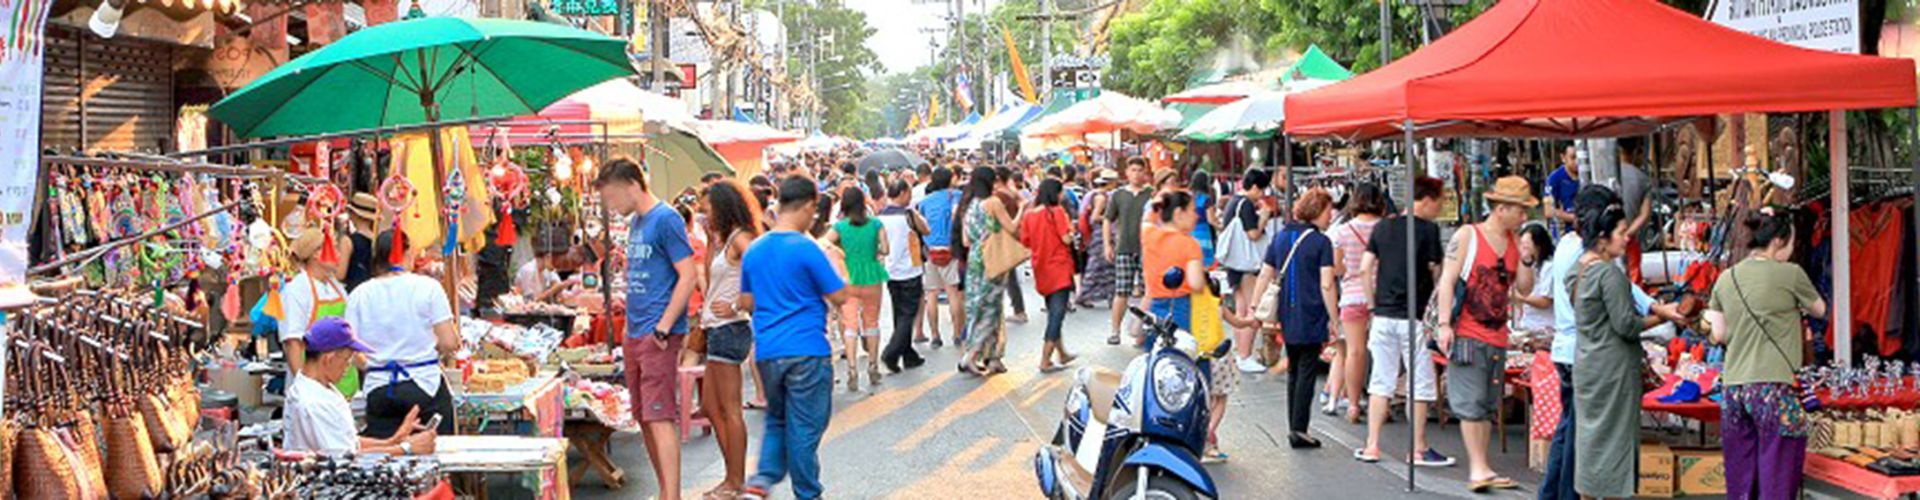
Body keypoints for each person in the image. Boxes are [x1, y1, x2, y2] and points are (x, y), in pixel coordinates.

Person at [1540, 186, 1682, 500]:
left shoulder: (1579, 267)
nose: (1627, 236)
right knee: (1615, 443)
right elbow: (1627, 325)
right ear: (1603, 237)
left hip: (1587, 362)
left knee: (1589, 442)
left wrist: (1656, 309)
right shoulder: (1608, 274)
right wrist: (1665, 317)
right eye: (1620, 231)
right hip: (1612, 369)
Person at [738, 176, 850, 500]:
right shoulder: (807, 248)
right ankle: (807, 494)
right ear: (807, 207)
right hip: (806, 349)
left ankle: (761, 481)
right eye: (814, 212)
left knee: (778, 419)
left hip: (768, 351)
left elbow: (746, 303)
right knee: (805, 426)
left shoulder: (755, 250)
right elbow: (839, 295)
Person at [595, 158, 698, 500]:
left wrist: (664, 327)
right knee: (645, 416)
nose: (611, 206)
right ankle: (666, 491)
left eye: (612, 197)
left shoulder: (665, 219)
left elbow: (688, 275)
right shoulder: (639, 222)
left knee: (659, 415)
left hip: (657, 332)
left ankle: (672, 495)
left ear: (631, 185)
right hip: (637, 331)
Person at [1706, 209, 1826, 500]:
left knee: (1741, 478)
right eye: (1790, 244)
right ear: (1777, 242)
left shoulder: (1726, 277)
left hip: (1734, 389)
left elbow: (1718, 334)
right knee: (1778, 477)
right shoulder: (1791, 274)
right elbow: (1820, 309)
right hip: (1775, 389)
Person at [1434, 176, 1535, 493]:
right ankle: (1477, 468)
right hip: (1467, 331)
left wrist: (1528, 257)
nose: (1524, 217)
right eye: (1520, 210)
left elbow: (1524, 288)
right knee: (1470, 402)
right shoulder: (1468, 236)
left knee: (1488, 404)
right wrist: (1444, 325)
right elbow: (1448, 280)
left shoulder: (1515, 243)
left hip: (1498, 334)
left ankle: (1483, 467)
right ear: (1502, 208)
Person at [1354, 177, 1453, 468]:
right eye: (1439, 201)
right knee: (1420, 384)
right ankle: (1418, 448)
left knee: (1380, 381)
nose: (1440, 207)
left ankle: (1372, 445)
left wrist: (1373, 304)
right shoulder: (1428, 231)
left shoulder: (1382, 227)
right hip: (1415, 318)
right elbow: (1438, 273)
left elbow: (1364, 270)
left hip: (1383, 316)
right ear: (1427, 199)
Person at [344, 230, 460, 438]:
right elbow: (449, 342)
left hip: (379, 387)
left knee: (383, 456)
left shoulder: (359, 294)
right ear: (406, 253)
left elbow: (351, 350)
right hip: (424, 384)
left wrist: (373, 363)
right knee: (436, 452)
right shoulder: (428, 288)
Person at [1250, 189, 1338, 449]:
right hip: (1312, 311)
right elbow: (1327, 284)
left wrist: (1256, 306)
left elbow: (1265, 274)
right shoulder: (1321, 243)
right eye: (1327, 210)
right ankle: (1299, 429)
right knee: (1307, 370)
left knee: (1295, 368)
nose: (1330, 216)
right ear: (1317, 211)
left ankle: (1294, 426)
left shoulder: (1281, 237)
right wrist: (1334, 318)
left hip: (1287, 312)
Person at [282, 317, 436, 456]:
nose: (348, 367)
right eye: (346, 360)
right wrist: (405, 448)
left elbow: (347, 441)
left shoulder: (320, 388)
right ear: (329, 359)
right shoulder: (313, 403)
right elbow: (344, 457)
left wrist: (392, 441)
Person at [697, 181, 762, 500]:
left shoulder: (741, 239)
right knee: (711, 406)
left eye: (707, 208)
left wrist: (739, 303)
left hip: (729, 327)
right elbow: (711, 281)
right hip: (717, 327)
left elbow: (764, 271)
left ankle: (734, 481)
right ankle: (731, 477)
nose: (703, 213)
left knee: (729, 409)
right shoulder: (725, 240)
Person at [1328, 182, 1385, 421]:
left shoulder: (1343, 231)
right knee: (1383, 353)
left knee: (1354, 352)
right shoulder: (1385, 228)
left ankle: (1352, 405)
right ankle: (1383, 404)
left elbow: (1337, 268)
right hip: (1382, 296)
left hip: (1352, 295)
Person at [824, 186, 889, 391]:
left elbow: (823, 243)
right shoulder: (876, 224)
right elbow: (886, 249)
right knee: (871, 322)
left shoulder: (841, 227)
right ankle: (873, 365)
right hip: (872, 276)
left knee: (850, 324)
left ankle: (852, 368)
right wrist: (875, 252)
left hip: (848, 277)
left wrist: (840, 253)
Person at [960, 166, 1022, 375]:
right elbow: (1012, 228)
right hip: (992, 260)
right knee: (991, 309)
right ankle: (971, 355)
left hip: (974, 261)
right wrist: (1022, 208)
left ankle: (993, 356)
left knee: (977, 307)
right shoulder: (993, 203)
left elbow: (966, 240)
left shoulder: (969, 205)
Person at [277, 229, 351, 389]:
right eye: (334, 248)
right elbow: (293, 343)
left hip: (342, 381)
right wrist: (303, 388)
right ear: (316, 254)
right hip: (311, 381)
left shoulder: (337, 288)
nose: (339, 254)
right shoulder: (296, 290)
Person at [1020, 178, 1079, 372]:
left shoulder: (1030, 215)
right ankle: (1045, 359)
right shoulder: (1058, 212)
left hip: (1041, 267)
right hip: (1059, 267)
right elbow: (1065, 238)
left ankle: (1061, 353)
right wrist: (1072, 232)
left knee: (1054, 310)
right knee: (1057, 314)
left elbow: (1026, 241)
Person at [1220, 169, 1273, 374]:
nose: (1261, 195)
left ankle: (1240, 352)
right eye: (1261, 190)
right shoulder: (1246, 205)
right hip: (1246, 265)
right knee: (1253, 307)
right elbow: (1253, 234)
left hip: (1234, 265)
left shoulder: (1233, 202)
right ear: (1254, 187)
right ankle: (1245, 355)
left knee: (1241, 309)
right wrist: (1264, 218)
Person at [877, 180, 929, 372]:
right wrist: (914, 212)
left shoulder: (880, 217)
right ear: (903, 193)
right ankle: (892, 353)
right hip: (910, 270)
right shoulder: (908, 215)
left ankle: (908, 355)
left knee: (900, 313)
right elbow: (926, 229)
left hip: (890, 271)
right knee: (908, 314)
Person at [1105, 158, 1154, 345]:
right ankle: (1115, 330)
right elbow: (1108, 219)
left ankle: (1141, 333)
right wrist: (1107, 245)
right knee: (1122, 290)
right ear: (1127, 172)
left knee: (1146, 291)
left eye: (1140, 170)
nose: (1136, 174)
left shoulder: (1151, 194)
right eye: (1133, 170)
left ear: (1145, 173)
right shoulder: (1118, 195)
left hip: (1147, 249)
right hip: (1124, 247)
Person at [1141, 190, 1203, 333]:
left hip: (1153, 303)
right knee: (1178, 349)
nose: (1196, 216)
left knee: (1155, 347)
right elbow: (1196, 283)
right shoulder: (1190, 244)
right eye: (1193, 210)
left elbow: (1147, 220)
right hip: (1180, 305)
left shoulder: (1148, 235)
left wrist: (1157, 203)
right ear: (1179, 214)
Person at [916, 168, 964, 348]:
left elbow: (921, 226)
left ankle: (935, 335)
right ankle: (957, 333)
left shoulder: (924, 202)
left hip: (931, 250)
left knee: (932, 294)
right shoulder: (957, 195)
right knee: (953, 293)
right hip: (951, 249)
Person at [1077, 169, 1118, 310]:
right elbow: (1094, 217)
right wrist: (1109, 217)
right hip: (1101, 235)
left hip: (1100, 235)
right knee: (1098, 267)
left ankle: (1110, 296)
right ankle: (1085, 295)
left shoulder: (1097, 194)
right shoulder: (1101, 197)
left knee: (1106, 267)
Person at [343, 193, 380, 290]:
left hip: (353, 291)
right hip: (372, 291)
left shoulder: (348, 241)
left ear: (354, 214)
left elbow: (340, 274)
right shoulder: (377, 241)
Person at [1545, 143, 1580, 231]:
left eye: (1579, 158)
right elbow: (1548, 211)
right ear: (1563, 158)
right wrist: (1572, 218)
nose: (1577, 162)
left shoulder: (1588, 174)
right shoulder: (1555, 178)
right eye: (1573, 158)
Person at [1189, 170, 1218, 268]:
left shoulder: (1188, 197)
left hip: (1190, 232)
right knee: (1204, 263)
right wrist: (1221, 226)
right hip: (1203, 233)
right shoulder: (1206, 199)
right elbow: (1211, 220)